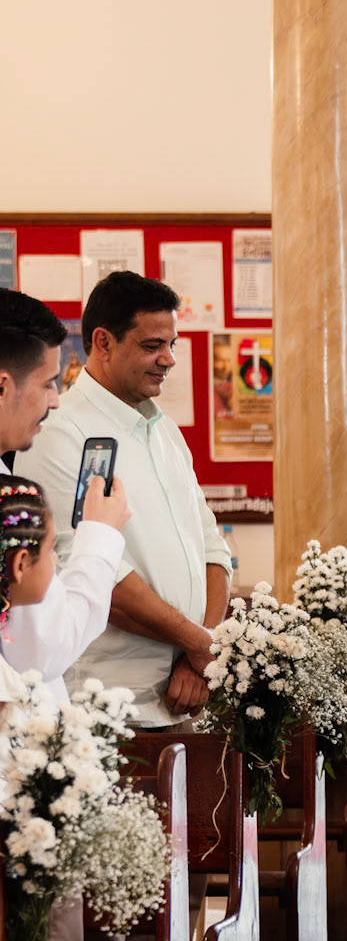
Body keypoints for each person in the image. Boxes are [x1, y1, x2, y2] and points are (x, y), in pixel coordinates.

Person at [0, 289, 141, 941]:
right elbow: (39, 644)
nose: (54, 403)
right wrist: (96, 537)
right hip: (18, 801)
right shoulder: (13, 505)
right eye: (47, 384)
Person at [15, 271, 233, 727]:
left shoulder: (166, 431)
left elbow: (213, 550)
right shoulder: (59, 433)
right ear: (103, 342)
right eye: (152, 345)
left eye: (172, 344)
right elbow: (96, 575)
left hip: (185, 692)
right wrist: (198, 645)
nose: (168, 359)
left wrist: (201, 650)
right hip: (109, 708)